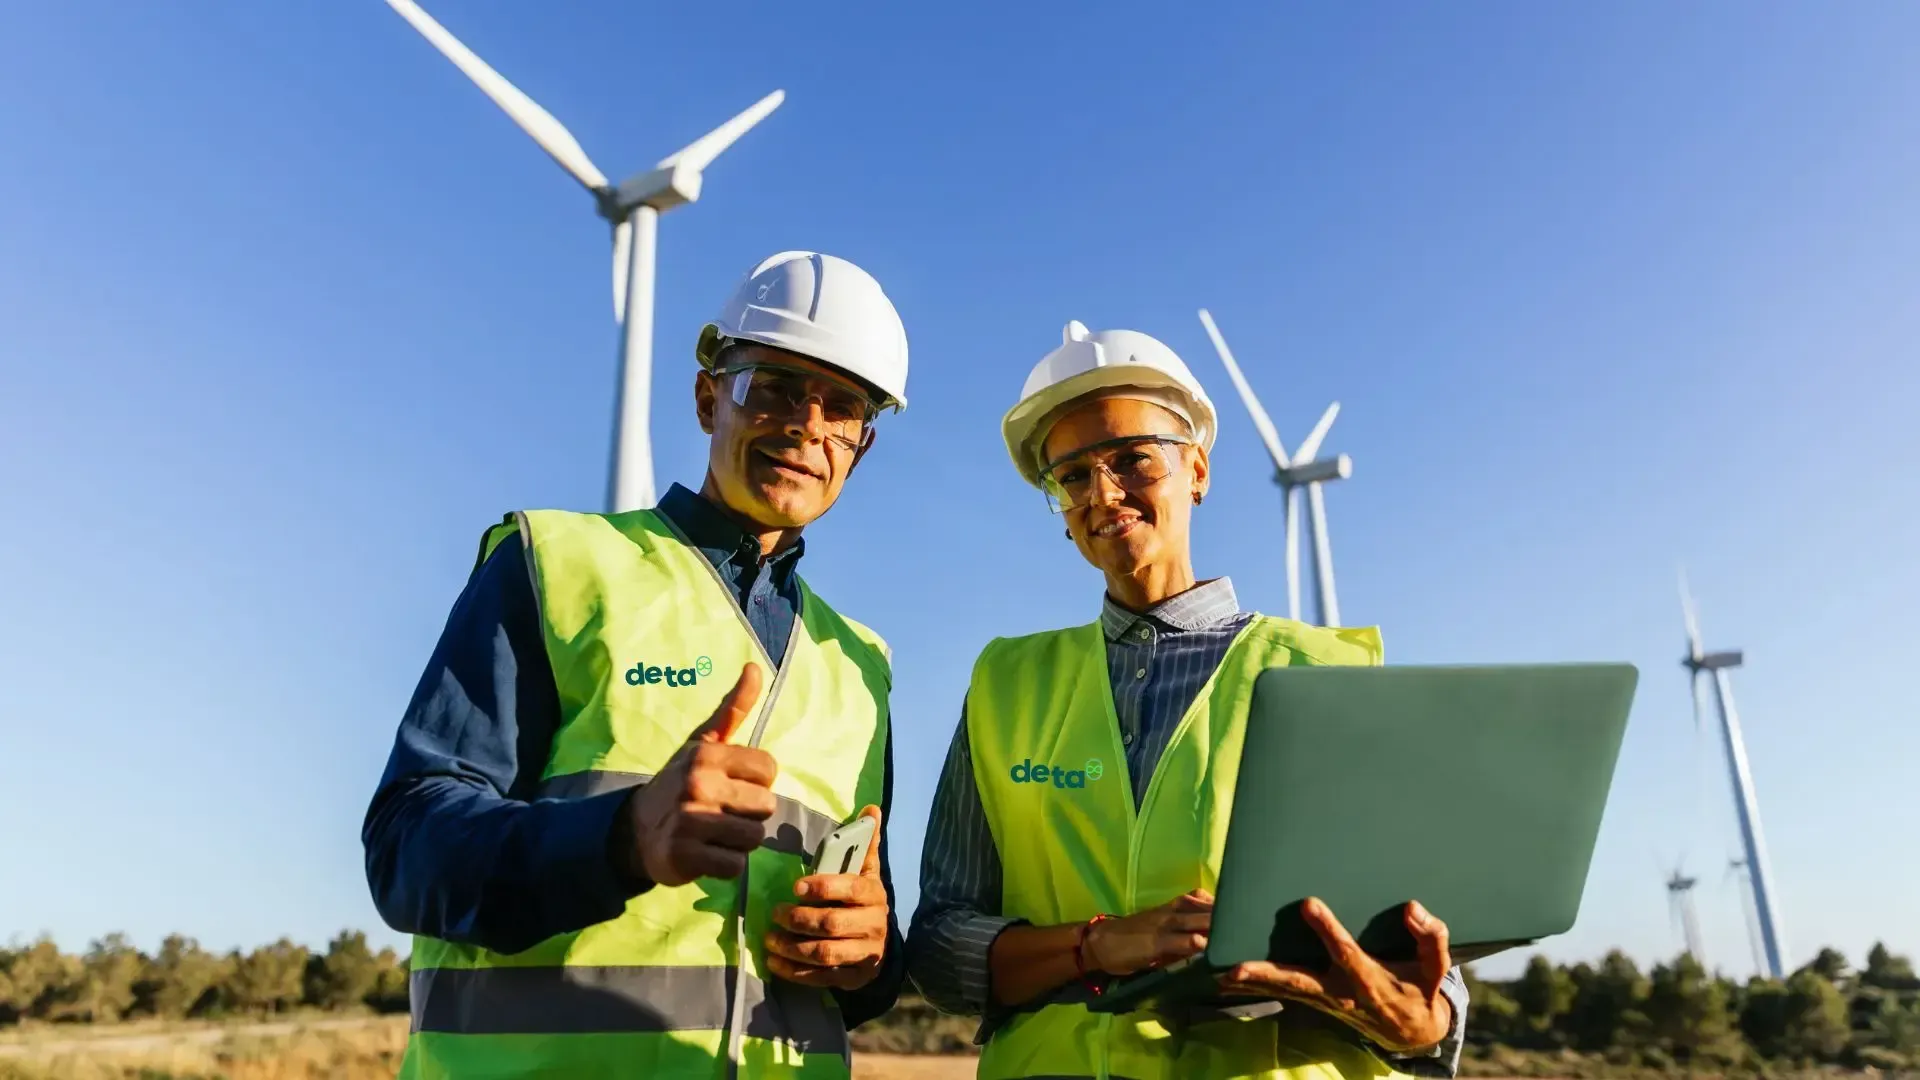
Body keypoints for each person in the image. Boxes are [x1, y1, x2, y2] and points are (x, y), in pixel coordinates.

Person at [363, 250, 913, 1078]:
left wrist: (871, 957)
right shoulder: (556, 567)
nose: (807, 426)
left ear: (860, 448)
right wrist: (619, 839)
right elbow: (407, 846)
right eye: (772, 387)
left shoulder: (861, 667)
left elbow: (870, 948)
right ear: (706, 398)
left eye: (843, 408)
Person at [905, 320, 1470, 1080]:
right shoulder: (1006, 685)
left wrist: (1425, 1023)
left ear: (1197, 470)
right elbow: (942, 947)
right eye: (1071, 476)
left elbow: (1419, 956)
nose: (1103, 493)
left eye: (1132, 459)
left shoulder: (1325, 674)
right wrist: (1100, 944)